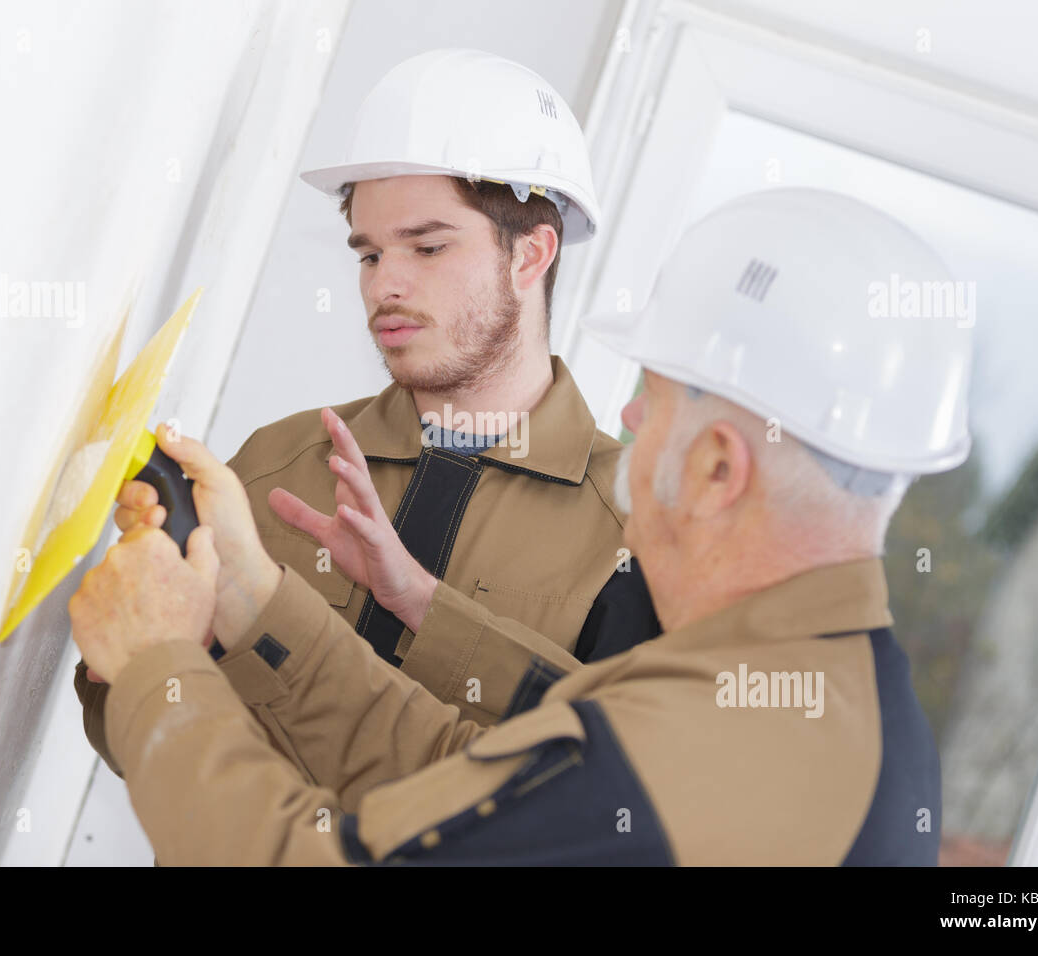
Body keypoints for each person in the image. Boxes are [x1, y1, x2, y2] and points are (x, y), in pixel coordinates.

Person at [70, 187, 972, 863]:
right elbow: (461, 769)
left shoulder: (700, 749)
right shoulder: (831, 700)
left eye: (648, 404)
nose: (623, 422)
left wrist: (159, 669)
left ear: (718, 468)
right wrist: (249, 596)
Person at [74, 50, 662, 778]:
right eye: (370, 254)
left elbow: (611, 797)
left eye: (428, 246)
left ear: (531, 256)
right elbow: (128, 731)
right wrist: (136, 658)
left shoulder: (635, 537)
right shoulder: (280, 462)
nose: (387, 285)